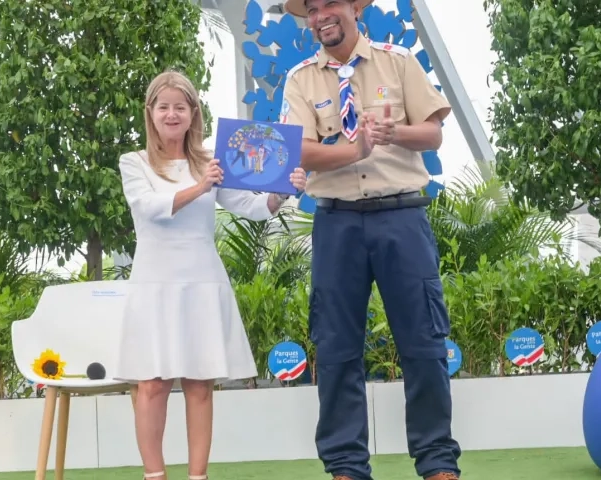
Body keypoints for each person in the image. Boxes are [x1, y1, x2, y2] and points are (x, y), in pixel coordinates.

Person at [279, 1, 462, 479]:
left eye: (330, 4)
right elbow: (297, 150)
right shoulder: (301, 78)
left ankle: (438, 463)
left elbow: (434, 133)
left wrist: (393, 132)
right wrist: (354, 149)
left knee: (423, 342)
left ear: (354, 8)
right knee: (336, 348)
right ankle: (346, 467)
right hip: (336, 222)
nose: (321, 16)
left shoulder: (397, 60)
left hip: (401, 215)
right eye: (311, 9)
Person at [112, 70, 308, 480]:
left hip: (202, 281)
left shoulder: (212, 161)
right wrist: (202, 187)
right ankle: (155, 475)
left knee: (200, 384)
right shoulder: (134, 163)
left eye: (179, 107)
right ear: (150, 113)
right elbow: (150, 208)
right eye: (163, 106)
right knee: (151, 385)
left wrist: (283, 191)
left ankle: (198, 476)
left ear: (193, 112)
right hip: (154, 283)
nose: (171, 114)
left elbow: (252, 206)